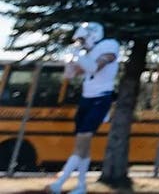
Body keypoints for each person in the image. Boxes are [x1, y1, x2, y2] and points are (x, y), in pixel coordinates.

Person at [47, 23, 119, 194]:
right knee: (83, 146)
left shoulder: (109, 46)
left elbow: (95, 67)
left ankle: (60, 182)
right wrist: (70, 58)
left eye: (82, 38)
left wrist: (78, 56)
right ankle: (81, 186)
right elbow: (69, 74)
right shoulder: (89, 53)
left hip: (101, 98)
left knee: (82, 141)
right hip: (87, 99)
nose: (81, 42)